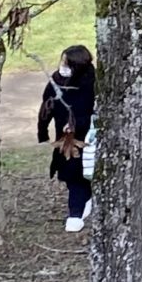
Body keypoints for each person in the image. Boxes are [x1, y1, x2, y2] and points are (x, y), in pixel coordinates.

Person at [37, 45, 97, 234]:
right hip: (66, 139)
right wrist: (43, 132)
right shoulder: (56, 81)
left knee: (85, 172)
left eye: (66, 62)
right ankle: (78, 210)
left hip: (89, 137)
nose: (62, 66)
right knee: (74, 176)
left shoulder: (94, 83)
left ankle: (79, 209)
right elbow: (46, 108)